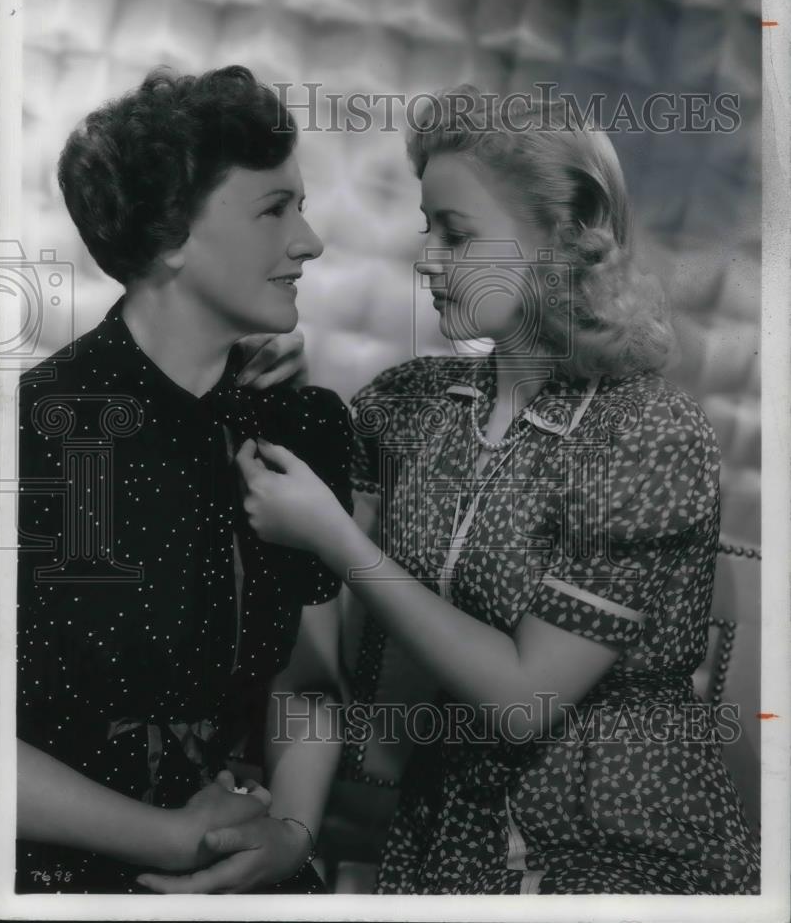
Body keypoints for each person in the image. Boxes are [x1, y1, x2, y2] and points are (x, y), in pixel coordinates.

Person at [232, 85, 761, 894]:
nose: (424, 258)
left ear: (565, 230)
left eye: (455, 234)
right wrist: (273, 413)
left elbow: (524, 700)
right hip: (445, 844)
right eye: (425, 229)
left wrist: (335, 539)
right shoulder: (405, 407)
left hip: (617, 850)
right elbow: (318, 656)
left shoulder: (649, 434)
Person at [16, 65, 352, 894]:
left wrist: (291, 833)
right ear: (169, 233)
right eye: (275, 210)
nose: (308, 242)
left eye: (300, 207)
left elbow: (307, 686)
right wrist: (167, 839)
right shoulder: (36, 432)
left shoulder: (301, 427)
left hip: (250, 864)